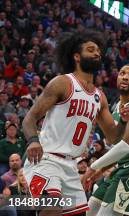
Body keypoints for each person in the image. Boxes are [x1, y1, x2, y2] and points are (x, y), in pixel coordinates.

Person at [22, 30, 123, 216]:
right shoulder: (62, 83)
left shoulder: (100, 98)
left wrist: (126, 118)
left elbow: (114, 136)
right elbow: (29, 118)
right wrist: (32, 140)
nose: (97, 53)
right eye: (91, 50)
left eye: (98, 51)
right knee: (52, 206)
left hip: (71, 167)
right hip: (45, 159)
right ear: (77, 56)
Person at [86, 64, 129, 216]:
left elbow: (125, 146)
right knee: (90, 210)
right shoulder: (117, 107)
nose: (125, 76)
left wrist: (93, 167)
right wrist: (102, 170)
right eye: (122, 73)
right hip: (121, 167)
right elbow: (116, 144)